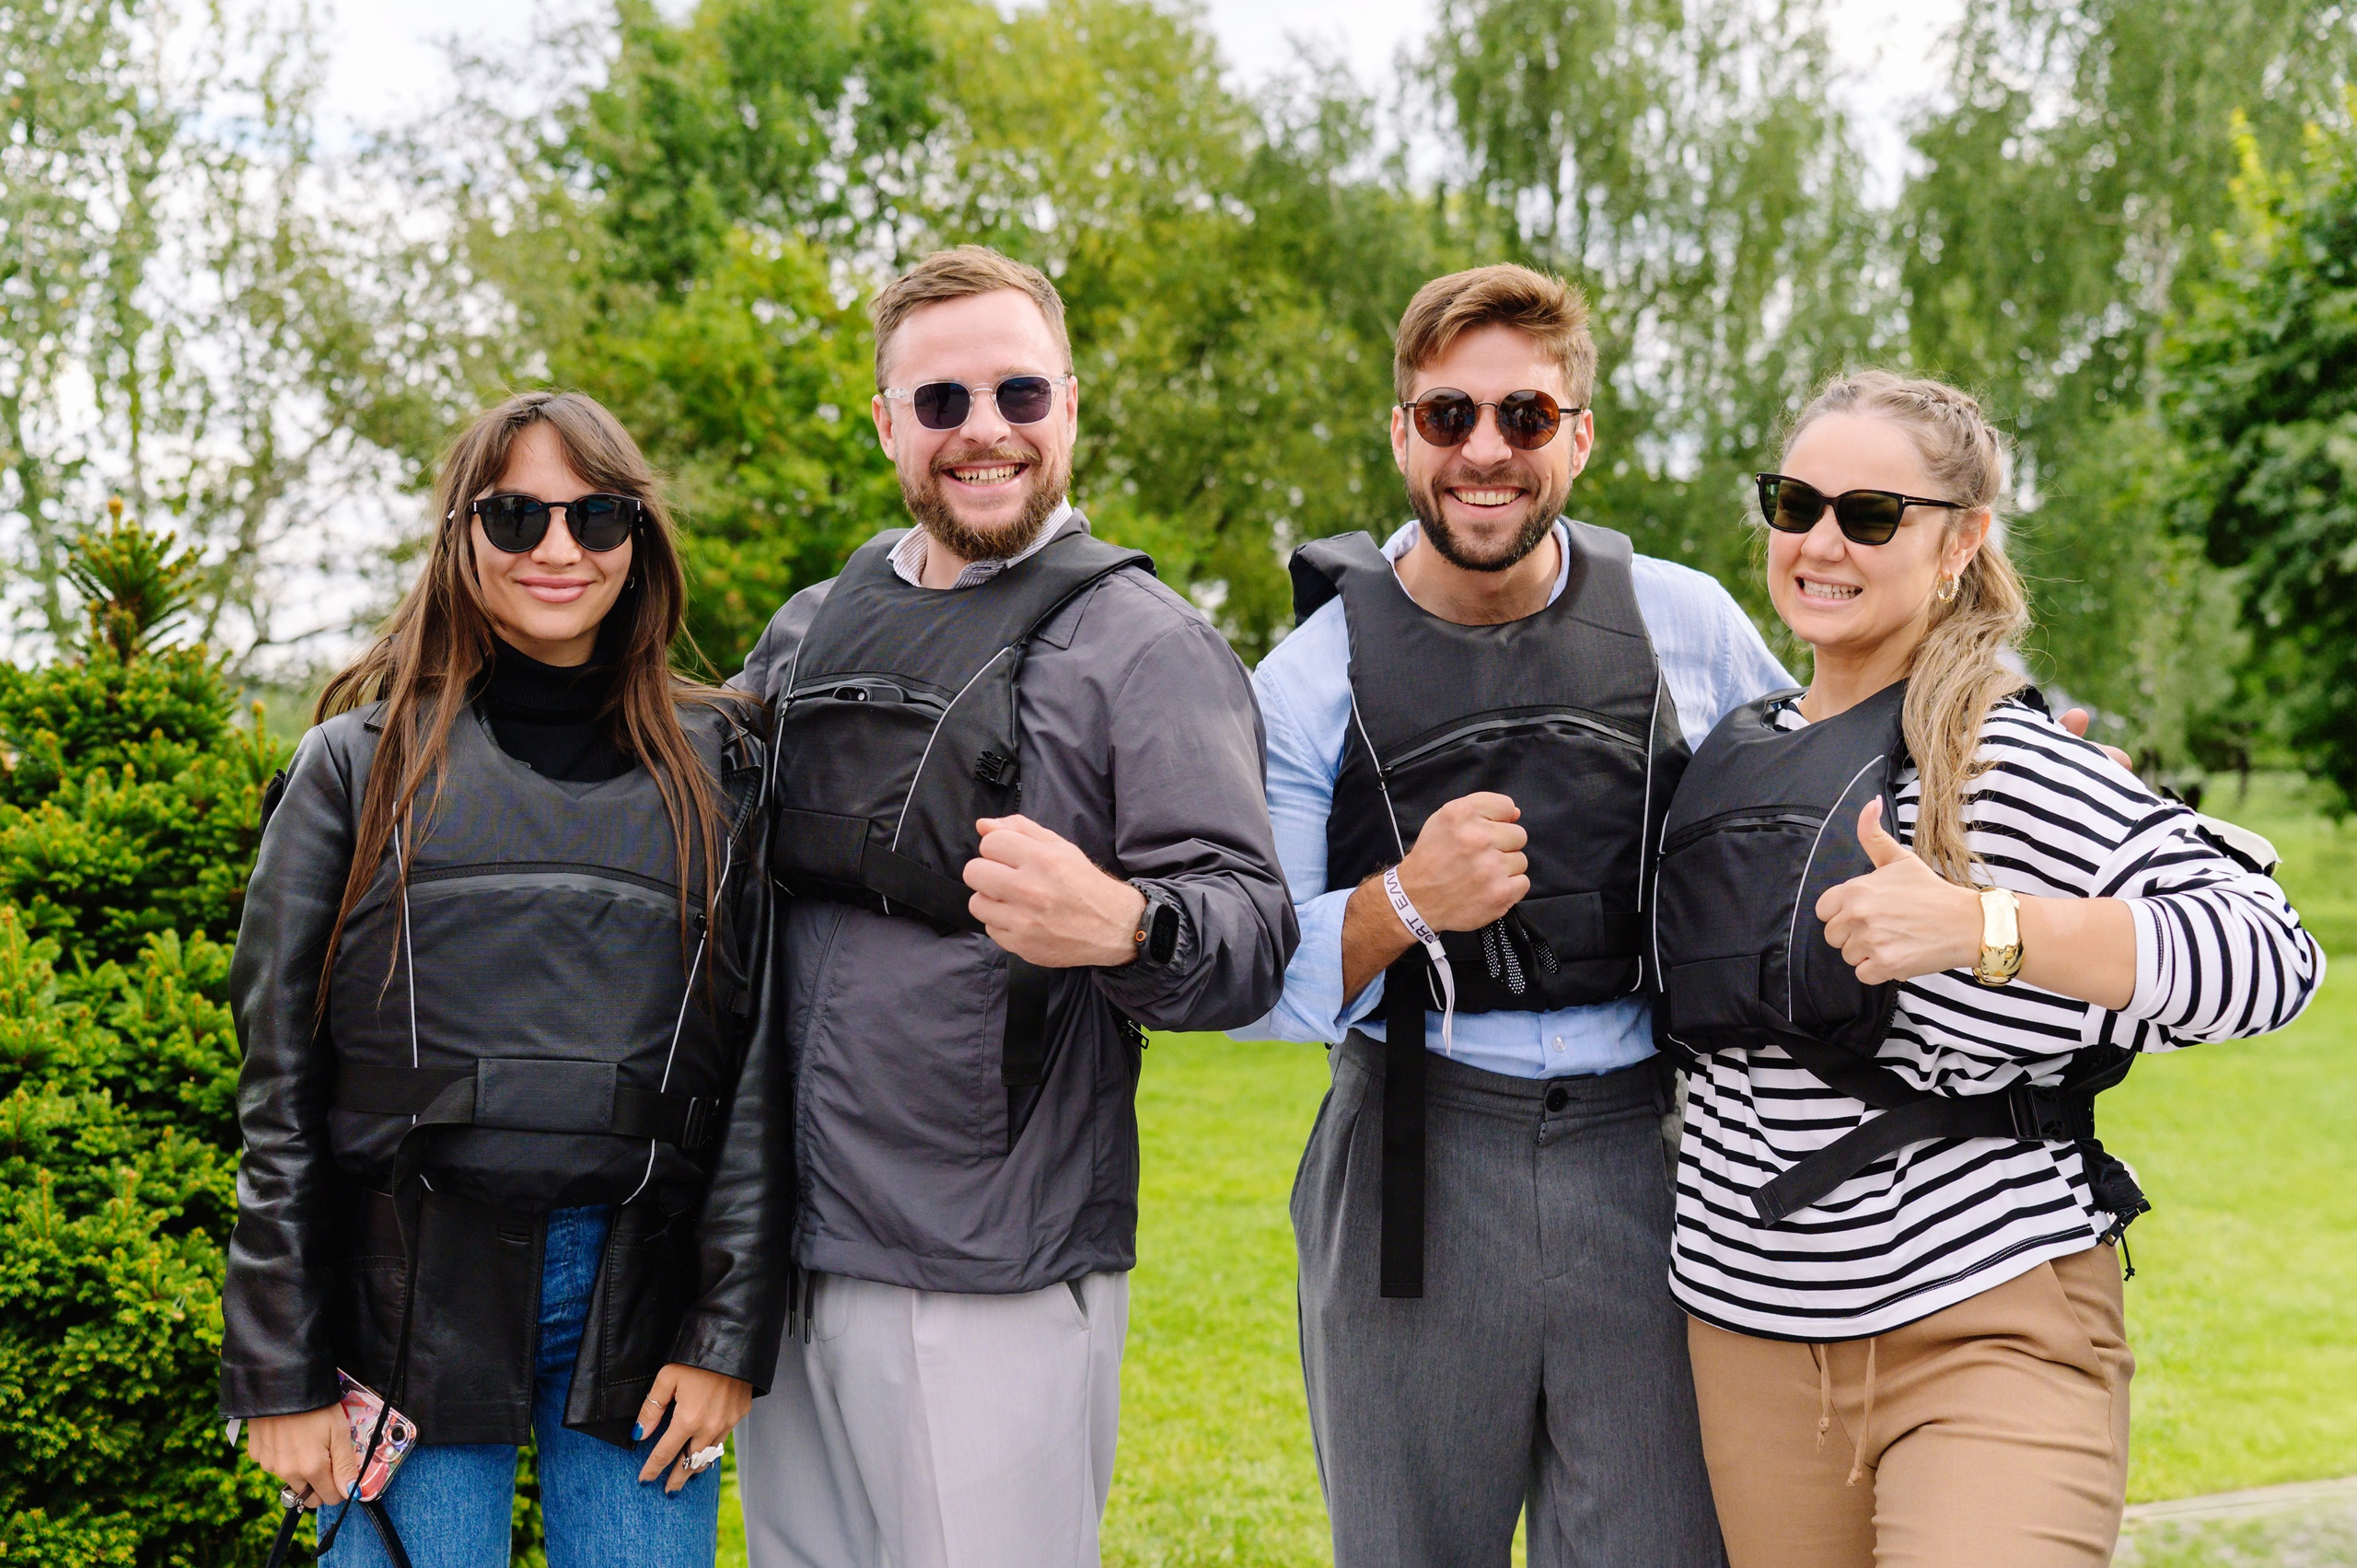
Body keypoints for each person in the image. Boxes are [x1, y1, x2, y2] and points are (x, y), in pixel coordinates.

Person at [1659, 371, 2322, 1567]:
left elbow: (2268, 951)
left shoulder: (2001, 765)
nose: (1820, 542)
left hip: (1987, 1323)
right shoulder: (1730, 754)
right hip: (1753, 1343)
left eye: (1870, 515)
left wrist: (1983, 927)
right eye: (1794, 503)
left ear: (1961, 540)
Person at [728, 245, 1296, 1568]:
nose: (984, 429)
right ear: (887, 423)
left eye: (1019, 393)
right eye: (941, 400)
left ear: (1070, 406)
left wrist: (1130, 923)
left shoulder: (1147, 644)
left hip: (991, 1264)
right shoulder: (809, 626)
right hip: (789, 1244)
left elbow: (1252, 932)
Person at [1239, 262, 1782, 1567]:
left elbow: (1807, 818)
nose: (1485, 450)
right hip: (1410, 1157)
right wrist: (1402, 902)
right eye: (1449, 415)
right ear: (1402, 434)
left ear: (1579, 437)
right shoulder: (1308, 678)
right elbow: (1255, 981)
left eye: (1526, 416)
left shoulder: (1686, 624)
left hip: (1652, 1150)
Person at [220, 390, 785, 1567]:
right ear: (460, 534)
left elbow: (756, 1073)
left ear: (640, 536)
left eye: (597, 514)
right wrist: (279, 1370)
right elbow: (278, 1090)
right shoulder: (353, 767)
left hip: (641, 1304)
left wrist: (726, 1332)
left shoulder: (724, 767)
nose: (559, 548)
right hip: (403, 1300)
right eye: (517, 514)